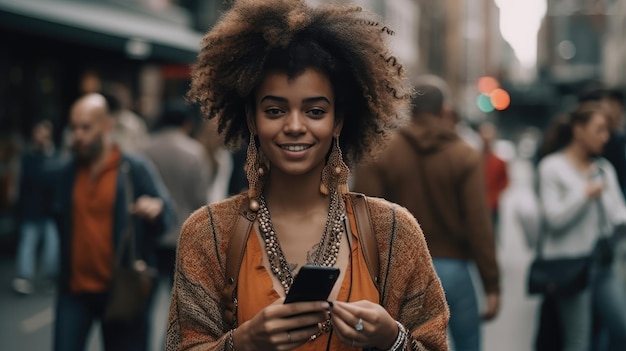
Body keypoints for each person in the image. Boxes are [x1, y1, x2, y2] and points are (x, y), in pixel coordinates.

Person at [166, 1, 449, 350]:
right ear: (253, 119)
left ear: (338, 122)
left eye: (315, 111)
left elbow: (433, 343)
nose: (295, 126)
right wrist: (242, 342)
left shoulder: (392, 231)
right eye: (275, 110)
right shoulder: (207, 233)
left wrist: (393, 339)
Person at [353, 75, 500, 351]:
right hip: (454, 268)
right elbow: (479, 225)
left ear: (409, 108)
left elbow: (363, 217)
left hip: (398, 274)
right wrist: (492, 285)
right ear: (443, 110)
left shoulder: (380, 152)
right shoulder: (464, 154)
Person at [51, 93, 175, 351]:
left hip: (122, 290)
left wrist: (155, 210)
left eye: (86, 127)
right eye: (74, 127)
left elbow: (168, 216)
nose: (78, 135)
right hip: (74, 291)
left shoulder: (133, 168)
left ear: (107, 124)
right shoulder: (67, 172)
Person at [536, 104, 626, 351]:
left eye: (607, 131)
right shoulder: (551, 167)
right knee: (578, 339)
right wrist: (584, 193)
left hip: (601, 263)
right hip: (571, 267)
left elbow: (617, 214)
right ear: (578, 130)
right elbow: (553, 219)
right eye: (599, 130)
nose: (605, 137)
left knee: (620, 328)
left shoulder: (603, 168)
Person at [142, 100, 211, 284]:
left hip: (152, 231)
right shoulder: (195, 151)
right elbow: (200, 197)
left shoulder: (145, 148)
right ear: (187, 123)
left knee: (148, 294)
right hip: (182, 232)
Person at [12, 120, 60, 295]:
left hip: (50, 210)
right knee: (28, 243)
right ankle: (24, 277)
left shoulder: (55, 157)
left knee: (52, 245)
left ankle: (50, 276)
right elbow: (19, 184)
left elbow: (57, 179)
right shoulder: (26, 157)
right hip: (31, 208)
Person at [478, 121, 509, 237]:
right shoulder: (474, 159)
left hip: (493, 205)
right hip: (478, 204)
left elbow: (504, 181)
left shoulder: (499, 161)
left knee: (492, 234)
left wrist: (495, 193)